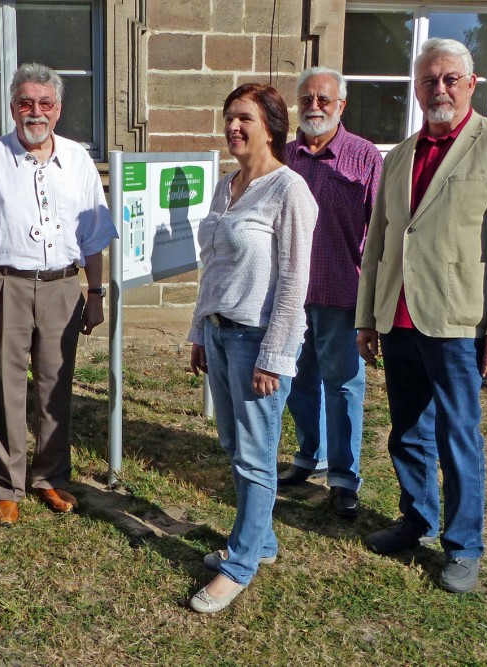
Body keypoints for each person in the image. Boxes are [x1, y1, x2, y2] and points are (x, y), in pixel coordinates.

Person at [355, 38, 487, 593]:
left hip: (459, 323)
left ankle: (463, 547)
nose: (440, 89)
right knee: (407, 432)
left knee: (460, 438)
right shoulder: (400, 154)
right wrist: (368, 317)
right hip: (400, 319)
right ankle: (416, 519)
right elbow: (380, 243)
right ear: (416, 88)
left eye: (450, 79)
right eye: (429, 80)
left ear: (471, 83)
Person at [0, 63, 116, 526]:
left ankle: (51, 476)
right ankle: (7, 484)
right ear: (12, 107)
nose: (35, 112)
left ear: (58, 110)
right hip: (4, 283)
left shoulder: (79, 159)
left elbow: (94, 234)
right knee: (4, 385)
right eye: (26, 103)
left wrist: (96, 291)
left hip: (64, 285)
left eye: (45, 104)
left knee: (55, 383)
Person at [187, 83, 318, 613]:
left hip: (257, 340)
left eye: (244, 118)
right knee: (232, 445)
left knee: (256, 456)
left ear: (271, 126)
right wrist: (200, 331)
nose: (233, 127)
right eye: (229, 118)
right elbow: (213, 267)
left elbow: (294, 283)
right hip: (220, 334)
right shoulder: (228, 186)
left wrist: (274, 354)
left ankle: (240, 564)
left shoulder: (289, 191)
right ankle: (261, 542)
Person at [279, 67, 383, 517]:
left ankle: (344, 477)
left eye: (324, 99)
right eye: (306, 99)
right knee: (298, 380)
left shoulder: (364, 158)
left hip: (343, 294)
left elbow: (381, 232)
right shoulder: (284, 156)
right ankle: (310, 456)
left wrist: (375, 301)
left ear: (341, 105)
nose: (314, 106)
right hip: (292, 297)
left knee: (342, 386)